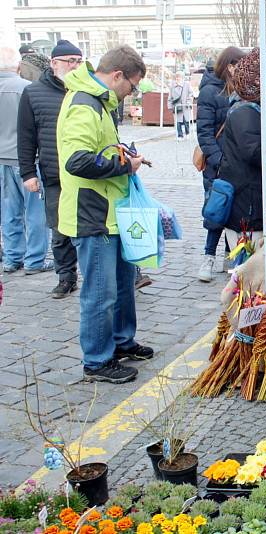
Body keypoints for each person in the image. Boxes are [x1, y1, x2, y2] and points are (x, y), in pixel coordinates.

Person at [57, 45, 153, 383]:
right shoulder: (85, 104)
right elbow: (77, 160)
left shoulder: (99, 103)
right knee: (100, 291)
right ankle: (97, 360)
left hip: (111, 212)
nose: (133, 92)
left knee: (123, 283)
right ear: (117, 76)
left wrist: (122, 154)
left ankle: (121, 341)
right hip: (92, 214)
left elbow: (97, 151)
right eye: (133, 85)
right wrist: (125, 164)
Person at [17, 40, 84, 298]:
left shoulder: (85, 90)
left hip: (85, 172)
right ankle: (66, 277)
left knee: (94, 228)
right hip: (54, 173)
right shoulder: (33, 93)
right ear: (54, 63)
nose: (76, 66)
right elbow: (26, 136)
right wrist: (28, 173)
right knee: (59, 230)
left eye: (79, 61)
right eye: (70, 61)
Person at [218, 49, 266, 251]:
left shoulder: (263, 109)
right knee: (249, 270)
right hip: (248, 207)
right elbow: (255, 152)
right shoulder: (244, 110)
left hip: (258, 201)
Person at [196, 47, 246, 281]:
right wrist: (218, 161)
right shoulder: (209, 92)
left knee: (234, 212)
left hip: (238, 163)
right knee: (216, 210)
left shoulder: (245, 90)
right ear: (230, 66)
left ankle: (230, 257)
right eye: (240, 66)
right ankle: (208, 257)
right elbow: (204, 132)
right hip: (217, 164)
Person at [0, 47, 50, 275]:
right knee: (35, 212)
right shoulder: (27, 89)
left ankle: (12, 257)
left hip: (2, 158)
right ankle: (35, 259)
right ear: (18, 66)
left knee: (9, 211)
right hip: (27, 159)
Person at [168, 72, 193, 140]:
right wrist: (170, 106)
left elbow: (190, 94)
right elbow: (170, 96)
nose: (177, 78)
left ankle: (187, 133)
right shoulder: (172, 85)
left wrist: (189, 102)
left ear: (182, 78)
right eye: (176, 77)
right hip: (177, 106)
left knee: (186, 121)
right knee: (178, 122)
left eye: (179, 77)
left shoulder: (186, 84)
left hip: (185, 106)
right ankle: (180, 135)